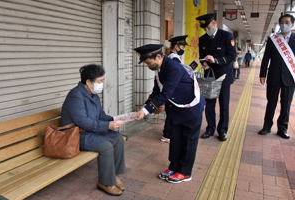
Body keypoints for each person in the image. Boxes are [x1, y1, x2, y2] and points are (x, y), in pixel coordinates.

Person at [134, 44, 205, 183]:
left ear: (159, 56)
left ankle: (185, 172)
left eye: (149, 62)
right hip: (176, 109)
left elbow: (166, 93)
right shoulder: (160, 69)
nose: (148, 66)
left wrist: (147, 110)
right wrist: (146, 105)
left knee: (188, 141)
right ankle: (173, 167)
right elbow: (156, 91)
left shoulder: (174, 68)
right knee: (176, 140)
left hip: (191, 109)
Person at [61, 64, 126, 196]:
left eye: (102, 81)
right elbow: (82, 122)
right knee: (106, 146)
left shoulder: (93, 94)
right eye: (99, 81)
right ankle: (106, 182)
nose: (101, 84)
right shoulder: (76, 96)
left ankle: (114, 175)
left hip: (89, 131)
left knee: (117, 137)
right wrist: (108, 126)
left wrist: (114, 119)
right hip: (75, 135)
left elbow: (100, 116)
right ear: (88, 82)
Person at [196, 13, 236, 141]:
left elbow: (232, 56)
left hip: (223, 76)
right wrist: (205, 64)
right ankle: (210, 128)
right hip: (209, 76)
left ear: (214, 23)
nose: (206, 30)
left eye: (208, 27)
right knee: (209, 104)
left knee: (224, 104)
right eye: (204, 29)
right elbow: (202, 56)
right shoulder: (202, 39)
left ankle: (222, 130)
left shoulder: (227, 36)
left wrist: (216, 60)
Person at [258, 14, 295, 139]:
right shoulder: (273, 39)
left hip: (290, 78)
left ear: (292, 24)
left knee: (286, 104)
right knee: (271, 102)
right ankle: (266, 126)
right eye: (281, 22)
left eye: (287, 22)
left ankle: (282, 129)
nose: (283, 24)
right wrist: (262, 74)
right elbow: (266, 57)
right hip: (274, 76)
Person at [161, 35, 198, 143]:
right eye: (183, 46)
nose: (184, 49)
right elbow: (182, 72)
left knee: (171, 112)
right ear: (177, 46)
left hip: (172, 87)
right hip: (173, 89)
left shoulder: (171, 56)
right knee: (171, 112)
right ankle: (167, 135)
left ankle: (167, 133)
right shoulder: (174, 58)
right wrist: (194, 64)